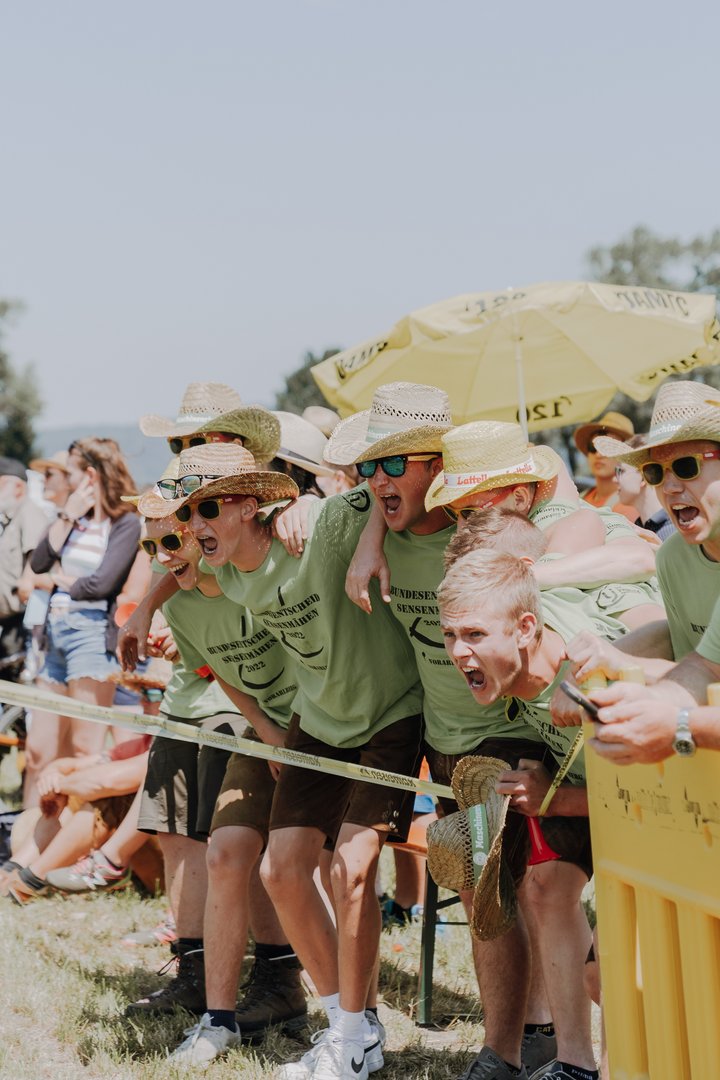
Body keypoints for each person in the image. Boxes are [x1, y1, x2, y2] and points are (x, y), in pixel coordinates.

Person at [128, 442, 423, 1080]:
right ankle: (349, 1028)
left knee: (349, 871)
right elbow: (179, 572)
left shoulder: (313, 526)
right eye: (188, 513)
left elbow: (374, 496)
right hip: (314, 723)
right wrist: (148, 605)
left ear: (249, 505)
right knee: (281, 872)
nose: (194, 525)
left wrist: (318, 510)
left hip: (390, 711)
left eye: (207, 508)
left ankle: (354, 1033)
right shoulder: (229, 575)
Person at [125, 468, 306, 1064]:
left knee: (309, 866)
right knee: (223, 851)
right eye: (150, 547)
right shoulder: (181, 604)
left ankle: (329, 1007)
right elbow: (224, 675)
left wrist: (294, 735)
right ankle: (217, 1016)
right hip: (264, 730)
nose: (161, 558)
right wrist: (268, 734)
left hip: (318, 726)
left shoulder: (246, 580)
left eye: (171, 542)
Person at [438, 549, 600, 1080]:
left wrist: (557, 799)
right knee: (546, 887)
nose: (458, 652)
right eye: (449, 635)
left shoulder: (592, 675)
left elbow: (651, 795)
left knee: (606, 977)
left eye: (475, 634)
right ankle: (574, 1066)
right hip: (593, 790)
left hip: (670, 819)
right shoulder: (521, 674)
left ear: (526, 628)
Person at [24, 438, 141, 804]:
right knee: (38, 752)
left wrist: (58, 581)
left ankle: (78, 830)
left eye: (70, 472)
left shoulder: (125, 523)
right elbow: (39, 564)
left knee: (83, 749)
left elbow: (102, 584)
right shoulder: (73, 520)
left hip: (90, 638)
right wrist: (67, 516)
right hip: (53, 635)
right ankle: (28, 830)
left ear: (89, 475)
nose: (65, 479)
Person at [0, 456, 48, 665]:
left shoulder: (29, 512)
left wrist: (27, 582)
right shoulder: (10, 517)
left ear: (18, 488)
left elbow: (37, 555)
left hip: (21, 620)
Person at [573, 411, 636, 519]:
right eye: (593, 447)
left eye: (608, 447)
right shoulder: (578, 500)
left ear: (627, 455)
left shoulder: (632, 504)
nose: (598, 454)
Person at [613, 436, 674, 541]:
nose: (614, 479)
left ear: (644, 476)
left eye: (620, 471)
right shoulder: (639, 528)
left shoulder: (673, 531)